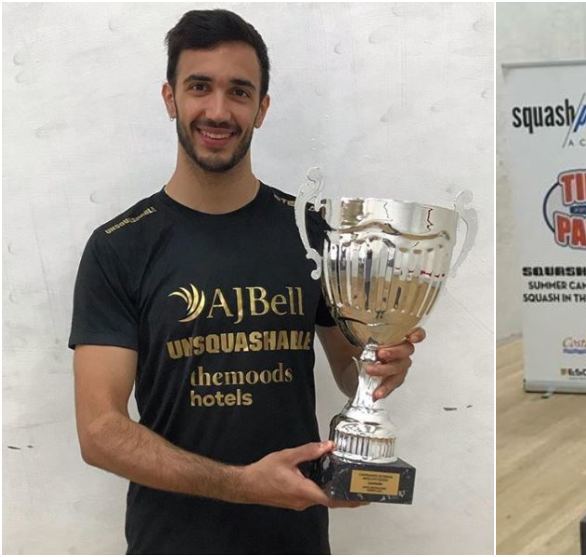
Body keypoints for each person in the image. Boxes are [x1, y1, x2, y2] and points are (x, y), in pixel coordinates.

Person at [69, 9, 425, 553]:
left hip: (295, 539)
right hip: (171, 542)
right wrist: (241, 485)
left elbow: (350, 370)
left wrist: (380, 367)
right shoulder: (119, 247)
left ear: (261, 108)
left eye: (239, 91)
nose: (218, 110)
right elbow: (99, 432)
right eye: (199, 87)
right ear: (170, 98)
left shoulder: (313, 231)